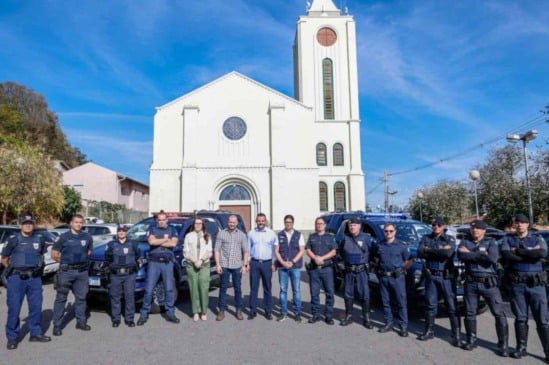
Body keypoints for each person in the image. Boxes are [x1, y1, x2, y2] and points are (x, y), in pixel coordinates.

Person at [501, 214, 549, 361]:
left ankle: (548, 352)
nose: (520, 225)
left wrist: (519, 251)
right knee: (520, 318)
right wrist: (530, 254)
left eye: (523, 222)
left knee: (542, 320)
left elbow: (542, 253)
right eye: (517, 222)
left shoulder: (537, 238)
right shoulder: (507, 239)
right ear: (514, 225)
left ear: (528, 224)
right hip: (518, 284)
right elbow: (507, 256)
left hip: (536, 285)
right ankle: (521, 348)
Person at [458, 219, 509, 356]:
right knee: (469, 313)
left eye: (479, 228)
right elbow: (461, 255)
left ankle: (503, 345)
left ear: (484, 230)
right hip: (471, 283)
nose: (475, 230)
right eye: (473, 228)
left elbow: (492, 258)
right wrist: (481, 254)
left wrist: (471, 253)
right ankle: (471, 340)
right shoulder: (464, 242)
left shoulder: (491, 242)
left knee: (498, 313)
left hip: (489, 283)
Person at [1, 215, 51, 349]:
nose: (28, 225)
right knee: (14, 309)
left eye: (30, 223)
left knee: (36, 307)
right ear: (20, 225)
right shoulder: (13, 239)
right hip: (17, 279)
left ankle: (35, 333)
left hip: (34, 279)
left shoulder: (39, 239)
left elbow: (40, 256)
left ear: (34, 225)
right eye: (25, 223)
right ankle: (12, 337)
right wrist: (15, 270)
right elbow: (4, 259)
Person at [417, 217, 460, 346]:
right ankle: (429, 331)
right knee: (430, 305)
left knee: (451, 306)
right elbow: (419, 252)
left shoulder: (449, 239)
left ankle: (456, 334)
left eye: (439, 224)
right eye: (434, 224)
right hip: (431, 276)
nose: (436, 226)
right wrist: (438, 251)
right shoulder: (426, 238)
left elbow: (447, 254)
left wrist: (428, 250)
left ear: (443, 226)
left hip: (445, 277)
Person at [51, 214, 93, 336]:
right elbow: (54, 254)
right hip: (66, 272)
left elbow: (89, 251)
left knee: (81, 298)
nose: (79, 224)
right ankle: (57, 325)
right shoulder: (63, 237)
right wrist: (67, 263)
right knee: (61, 298)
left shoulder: (87, 236)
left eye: (81, 222)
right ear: (71, 223)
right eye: (76, 222)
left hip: (82, 273)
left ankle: (80, 322)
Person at [137, 211, 180, 325]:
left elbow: (173, 244)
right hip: (154, 263)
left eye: (163, 219)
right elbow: (151, 241)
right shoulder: (151, 229)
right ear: (157, 221)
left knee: (169, 289)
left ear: (167, 220)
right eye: (159, 220)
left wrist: (158, 241)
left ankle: (170, 313)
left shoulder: (172, 230)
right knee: (149, 290)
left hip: (167, 263)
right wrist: (166, 239)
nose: (161, 222)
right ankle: (144, 314)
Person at [372, 223, 412, 337]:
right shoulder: (379, 245)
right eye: (386, 231)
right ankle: (388, 323)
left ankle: (403, 327)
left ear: (395, 232)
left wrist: (402, 269)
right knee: (385, 302)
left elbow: (409, 260)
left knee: (401, 302)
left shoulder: (401, 245)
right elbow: (375, 257)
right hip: (384, 277)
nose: (388, 233)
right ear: (383, 232)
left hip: (397, 277)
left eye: (391, 231)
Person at [339, 218, 374, 328]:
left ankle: (366, 318)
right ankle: (349, 316)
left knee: (364, 294)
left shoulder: (366, 238)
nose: (352, 227)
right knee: (348, 293)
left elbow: (373, 252)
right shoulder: (345, 238)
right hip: (349, 271)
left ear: (359, 226)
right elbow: (341, 252)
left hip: (361, 271)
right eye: (350, 225)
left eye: (354, 225)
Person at [214, 215, 249, 321]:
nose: (231, 224)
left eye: (233, 222)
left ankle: (238, 310)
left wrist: (244, 265)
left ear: (237, 223)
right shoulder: (221, 233)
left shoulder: (242, 235)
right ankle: (221, 311)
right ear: (227, 222)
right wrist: (217, 264)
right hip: (224, 265)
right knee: (223, 288)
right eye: (230, 222)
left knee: (237, 288)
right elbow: (217, 250)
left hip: (237, 266)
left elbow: (246, 251)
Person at [105, 225, 140, 327]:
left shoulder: (133, 244)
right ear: (117, 232)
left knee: (129, 297)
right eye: (119, 231)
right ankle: (116, 319)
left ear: (126, 232)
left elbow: (138, 255)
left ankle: (129, 319)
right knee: (115, 297)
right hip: (115, 275)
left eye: (123, 231)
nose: (121, 232)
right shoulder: (111, 244)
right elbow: (107, 257)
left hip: (129, 275)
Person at [305, 217, 337, 325]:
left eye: (321, 224)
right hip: (314, 269)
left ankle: (328, 316)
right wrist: (315, 258)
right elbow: (307, 250)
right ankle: (316, 315)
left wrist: (322, 258)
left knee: (329, 293)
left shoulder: (330, 237)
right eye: (317, 224)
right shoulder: (312, 237)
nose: (319, 225)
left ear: (325, 225)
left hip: (327, 269)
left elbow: (333, 252)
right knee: (314, 293)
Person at [274, 214, 305, 322]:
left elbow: (302, 250)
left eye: (290, 222)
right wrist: (282, 262)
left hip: (295, 267)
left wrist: (292, 262)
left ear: (293, 223)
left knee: (296, 290)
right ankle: (283, 313)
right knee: (283, 290)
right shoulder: (279, 235)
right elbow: (276, 251)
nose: (288, 224)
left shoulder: (298, 235)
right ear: (284, 223)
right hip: (282, 268)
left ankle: (297, 313)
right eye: (286, 222)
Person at [247, 213, 278, 320]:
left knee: (267, 288)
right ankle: (253, 310)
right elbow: (248, 249)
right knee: (253, 288)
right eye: (259, 220)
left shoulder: (271, 234)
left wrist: (274, 263)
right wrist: (247, 263)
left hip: (267, 264)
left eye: (262, 221)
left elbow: (275, 250)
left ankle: (268, 311)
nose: (261, 222)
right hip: (254, 263)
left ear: (265, 221)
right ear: (256, 221)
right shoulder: (251, 233)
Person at [183, 217, 213, 321]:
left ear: (203, 225)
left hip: (204, 265)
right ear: (193, 224)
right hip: (191, 265)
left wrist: (200, 260)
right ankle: (195, 312)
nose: (198, 225)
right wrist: (194, 260)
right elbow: (186, 252)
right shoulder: (188, 236)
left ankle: (204, 311)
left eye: (200, 223)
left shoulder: (207, 236)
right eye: (196, 223)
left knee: (203, 288)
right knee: (193, 288)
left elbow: (209, 251)